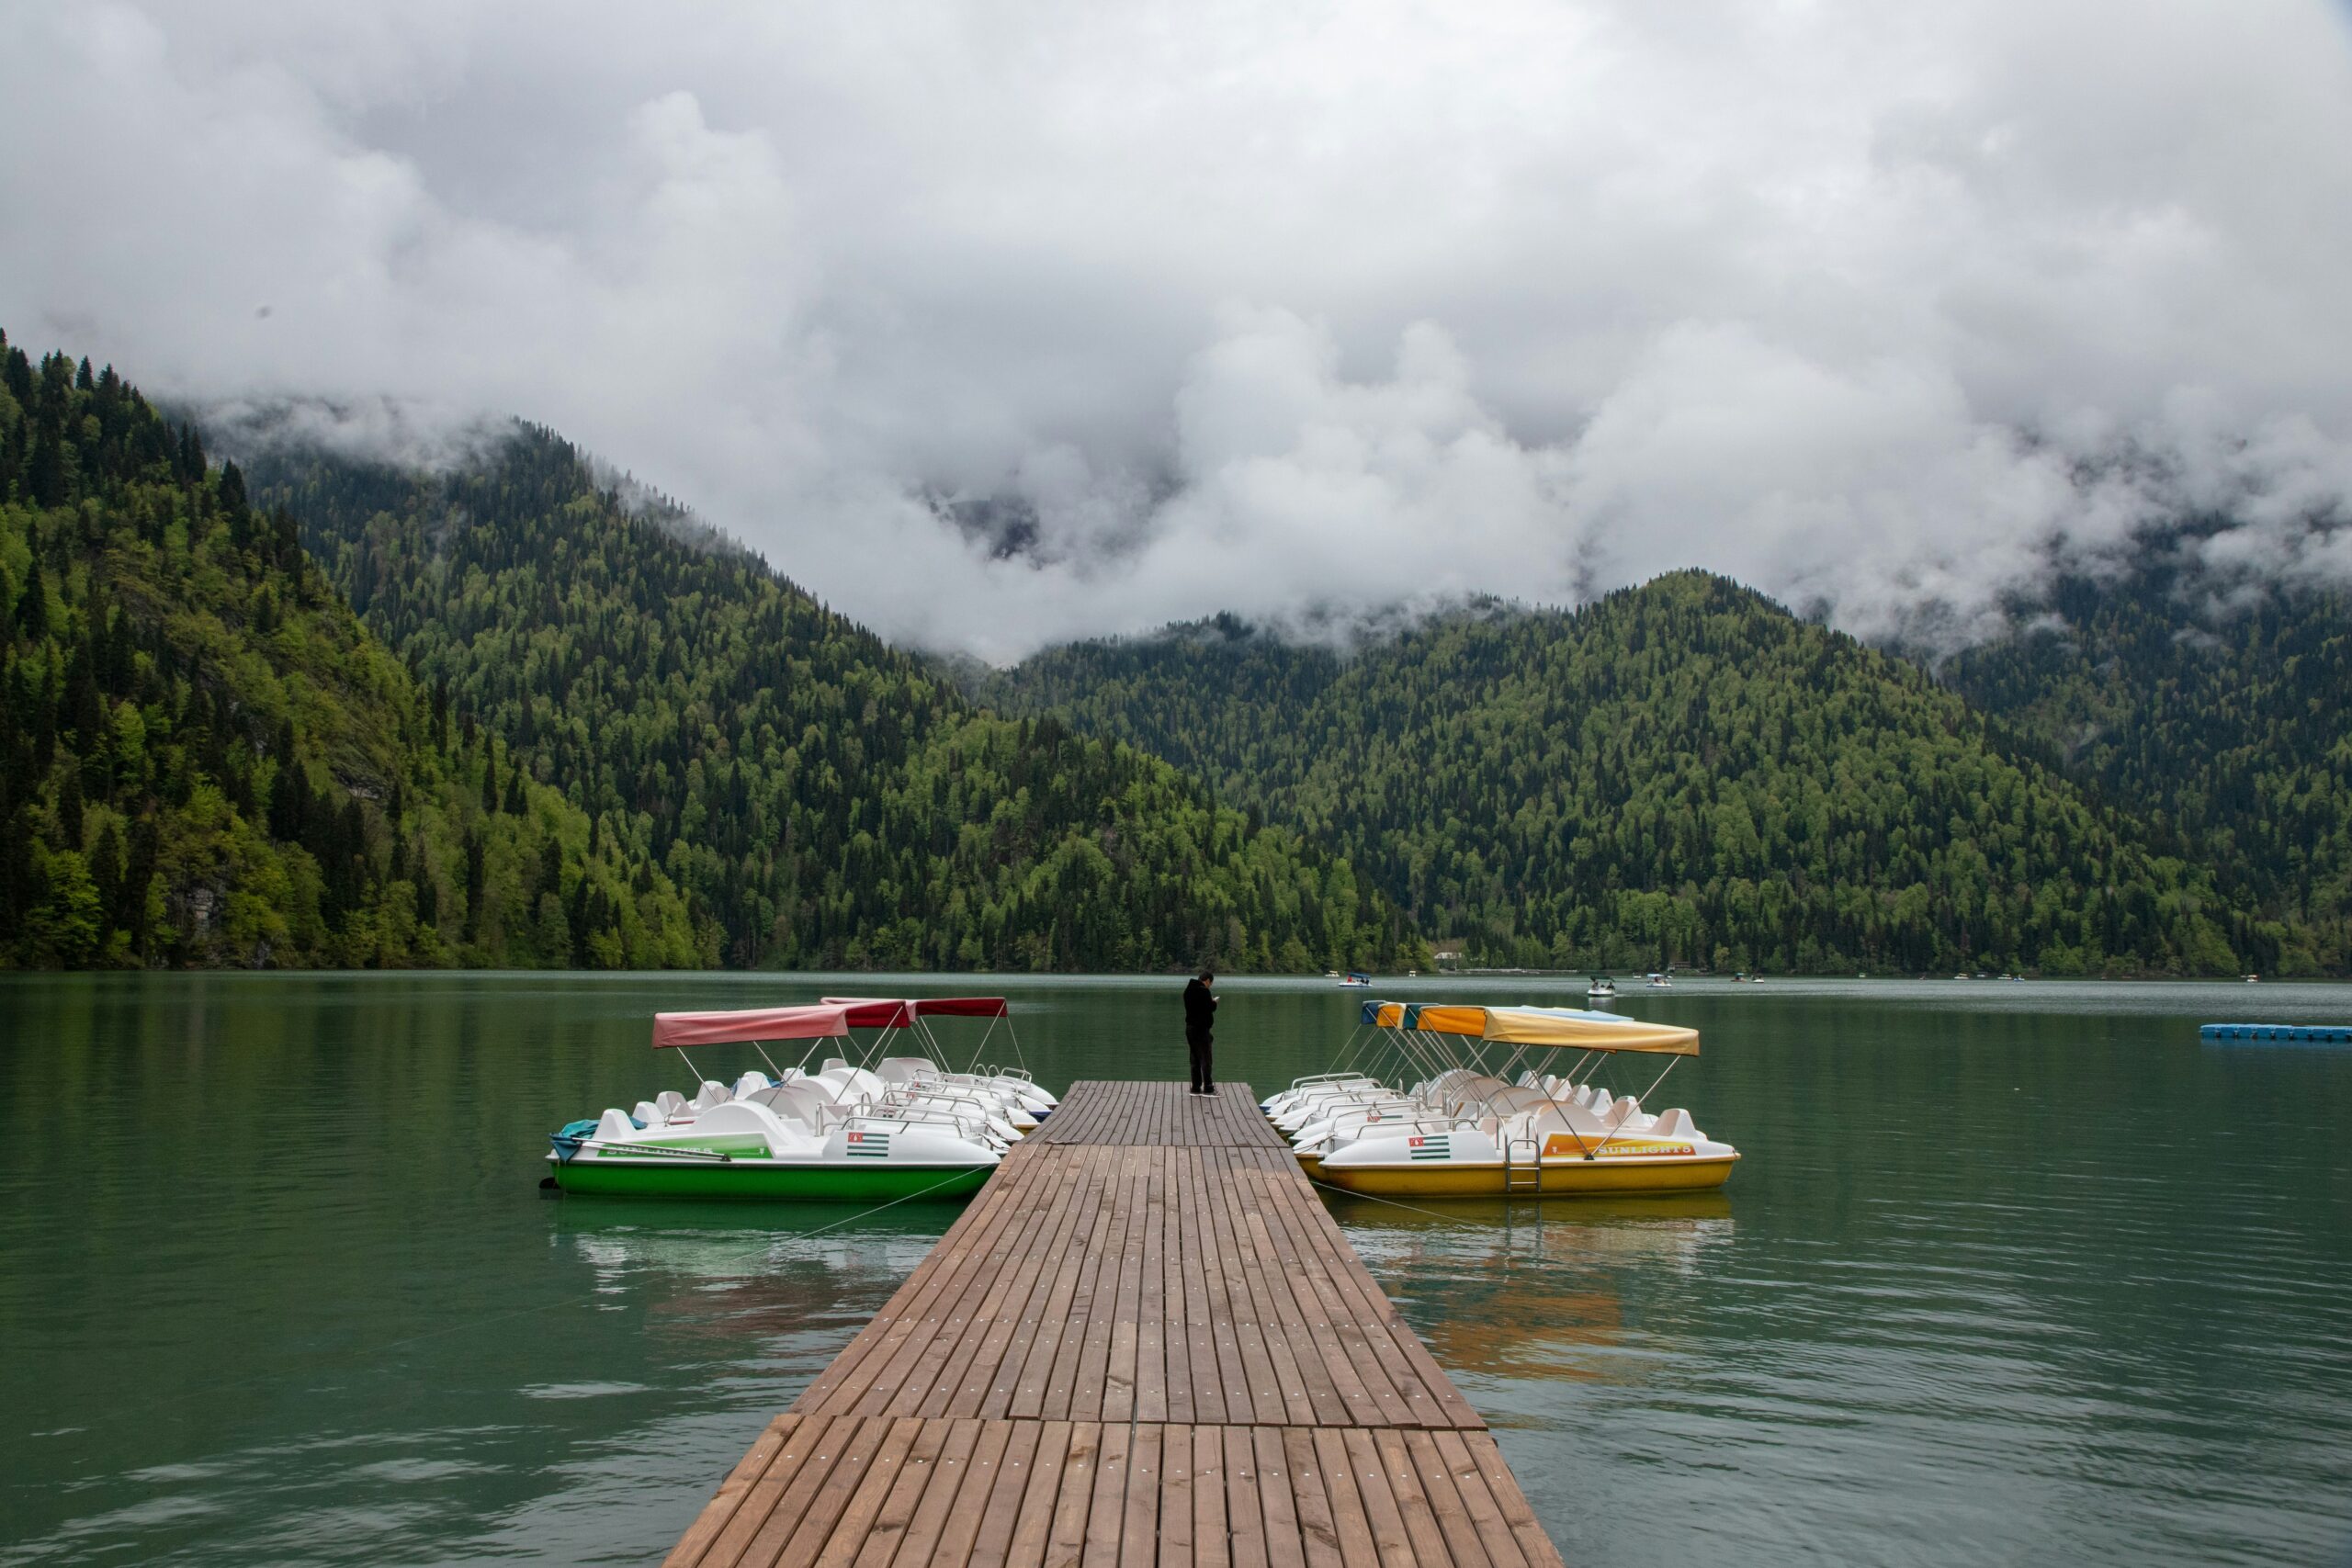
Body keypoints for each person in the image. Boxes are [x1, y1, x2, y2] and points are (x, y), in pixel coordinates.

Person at [1183, 969, 1217, 1095]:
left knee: (1194, 1059)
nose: (1210, 986)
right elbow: (1209, 1008)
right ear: (1207, 980)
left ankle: (1196, 1087)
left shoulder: (1188, 991)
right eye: (1210, 983)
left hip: (1190, 1029)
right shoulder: (1203, 991)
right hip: (1201, 1030)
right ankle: (1208, 1088)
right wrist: (1214, 1002)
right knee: (1206, 1059)